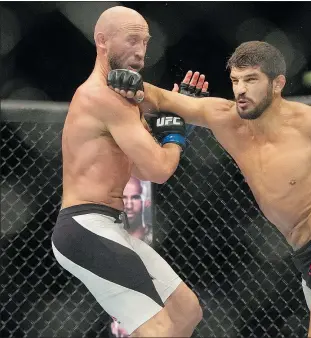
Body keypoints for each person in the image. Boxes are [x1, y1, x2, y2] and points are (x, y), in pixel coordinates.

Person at [109, 40, 311, 337]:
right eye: (236, 81)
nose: (240, 90)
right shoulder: (225, 119)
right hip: (306, 253)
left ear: (277, 84)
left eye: (251, 80)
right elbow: (160, 98)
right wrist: (132, 82)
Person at [51, 6, 208, 337]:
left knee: (185, 310)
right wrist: (175, 127)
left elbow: (141, 168)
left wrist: (175, 127)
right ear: (102, 41)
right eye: (132, 40)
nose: (141, 52)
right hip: (85, 226)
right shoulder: (105, 98)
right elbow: (161, 169)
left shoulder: (122, 102)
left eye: (146, 42)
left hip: (102, 225)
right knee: (158, 329)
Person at [123, 176, 153, 243]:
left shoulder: (156, 237)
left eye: (135, 197)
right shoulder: (107, 237)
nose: (129, 206)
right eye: (123, 198)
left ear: (147, 202)